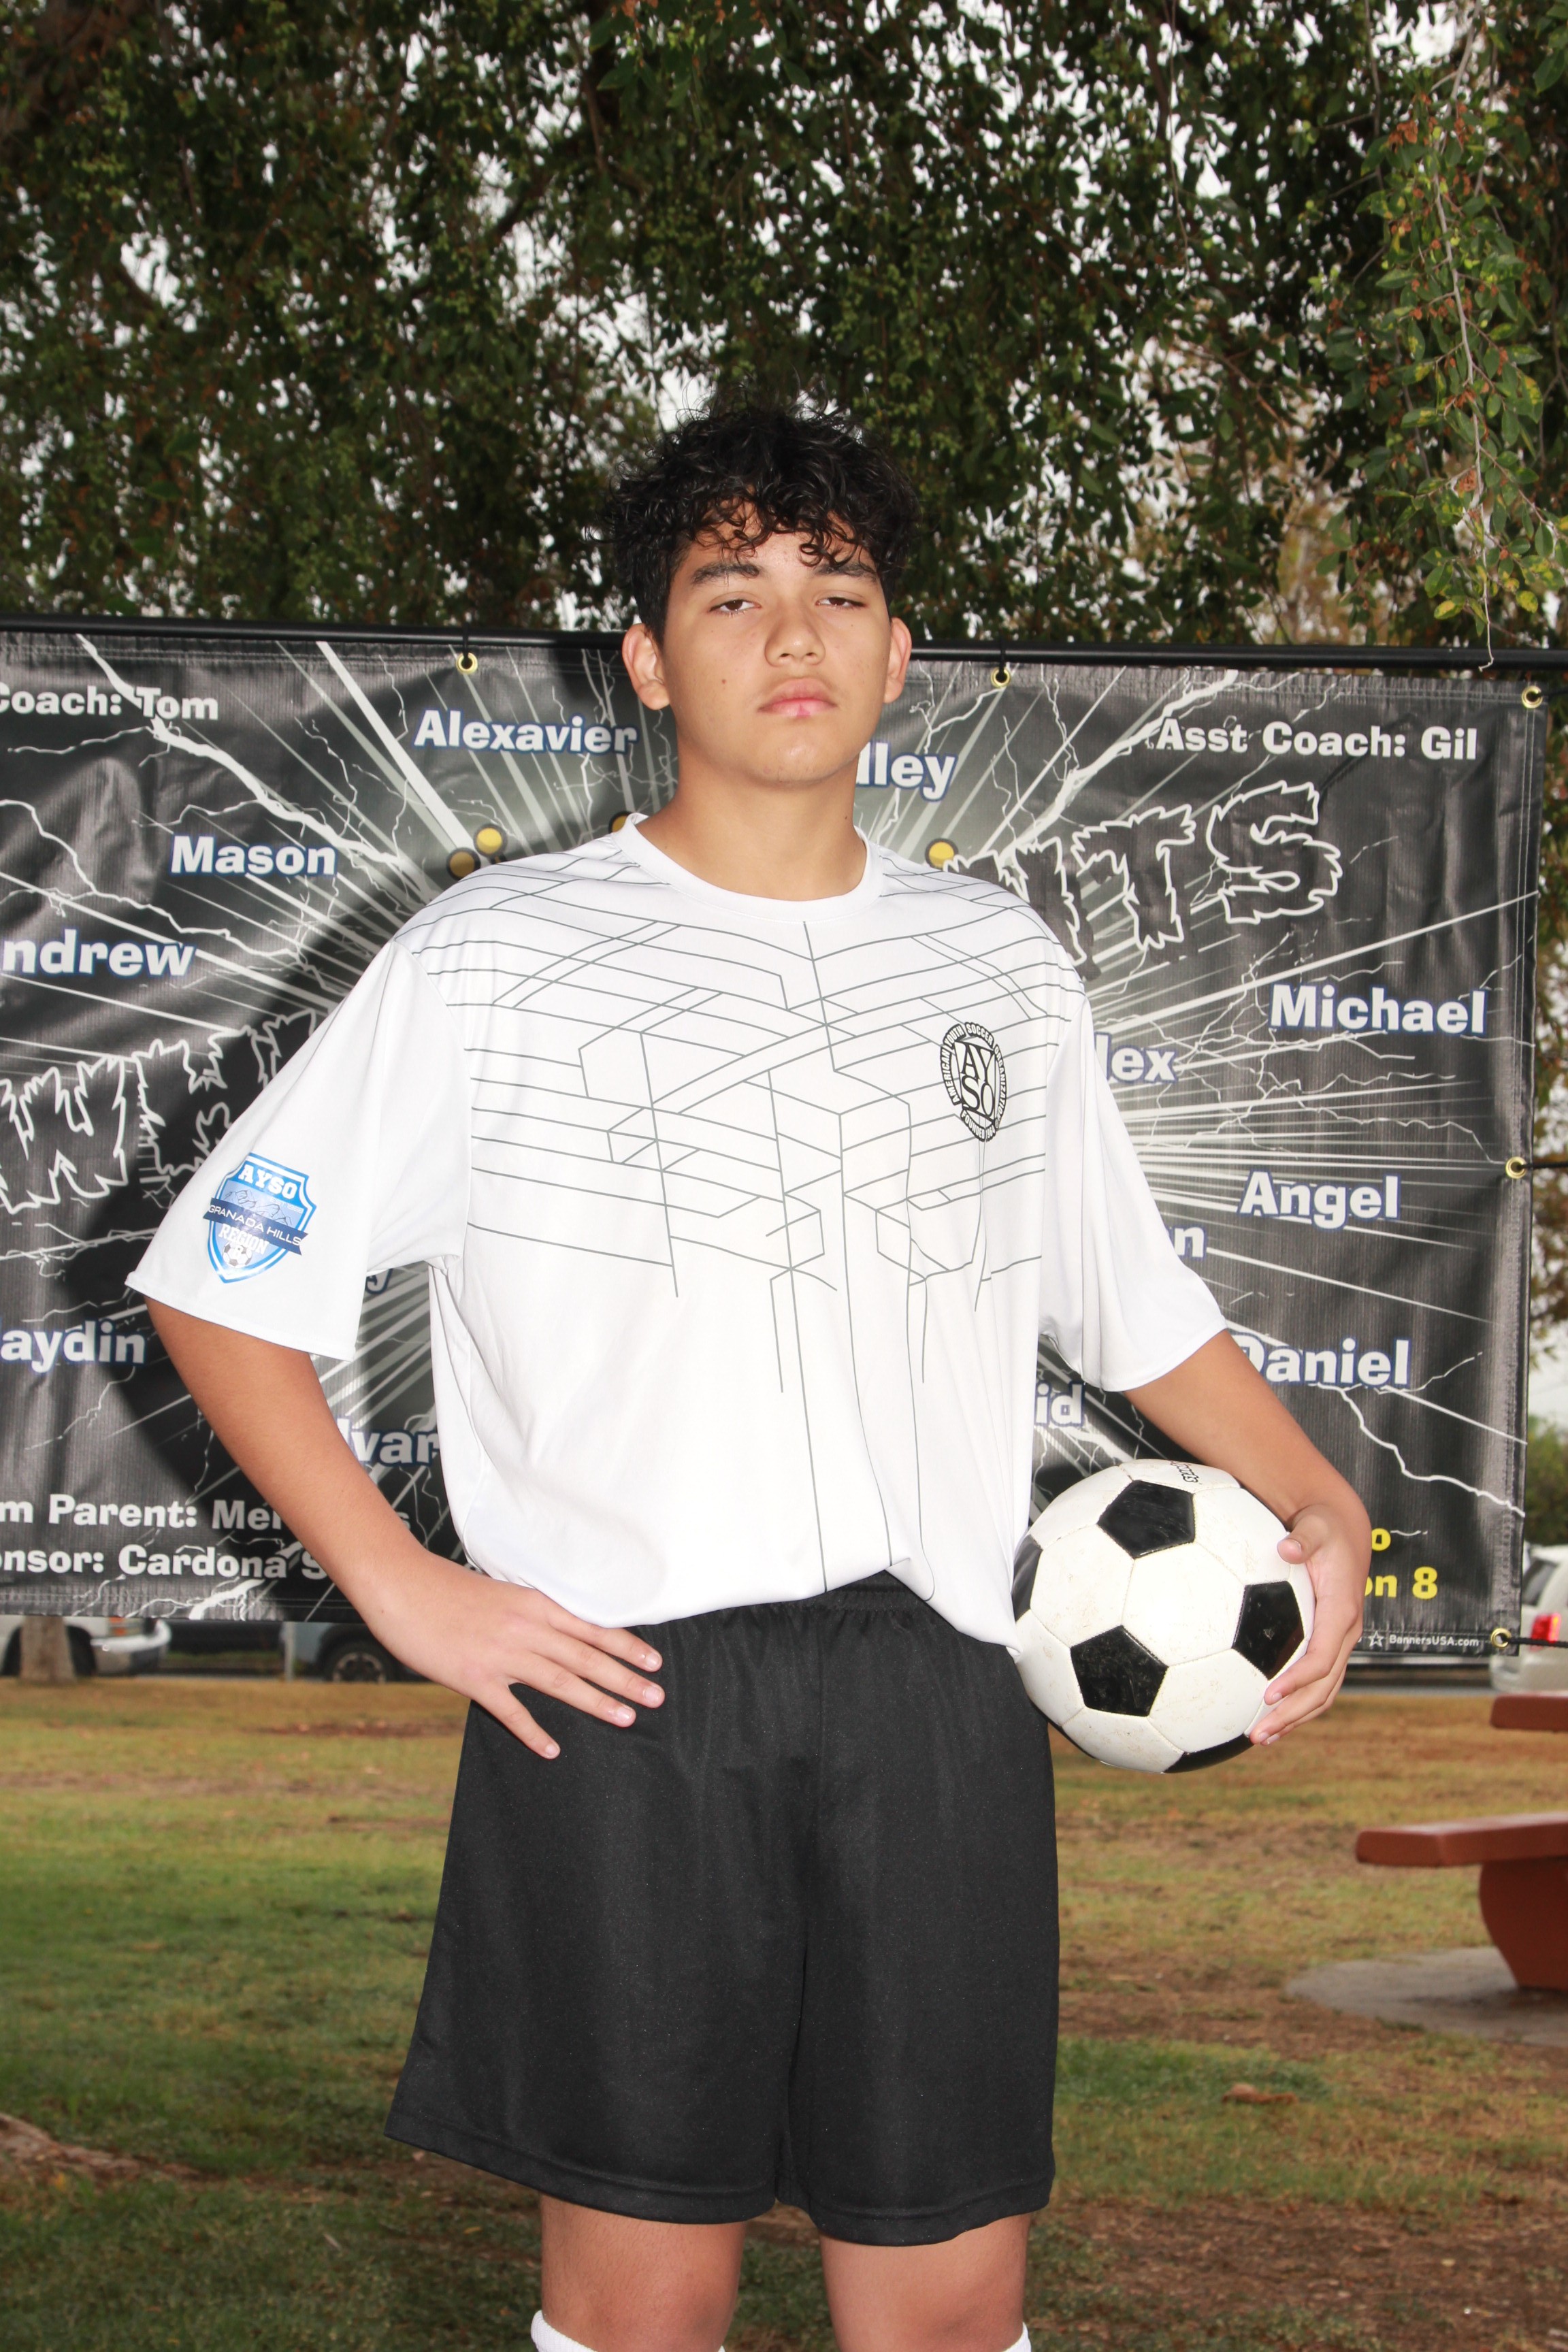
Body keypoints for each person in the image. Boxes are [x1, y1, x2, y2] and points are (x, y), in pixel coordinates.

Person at [131, 400, 1369, 2352]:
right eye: (731, 593)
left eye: (837, 590)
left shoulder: (996, 964)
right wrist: (400, 1583)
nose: (792, 634)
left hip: (937, 1687)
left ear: (897, 651)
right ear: (646, 658)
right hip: (625, 1696)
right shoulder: (495, 952)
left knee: (949, 2304)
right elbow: (222, 1284)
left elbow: (1131, 1307)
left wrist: (1321, 1494)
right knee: (643, 2312)